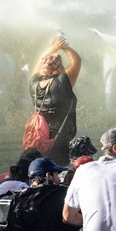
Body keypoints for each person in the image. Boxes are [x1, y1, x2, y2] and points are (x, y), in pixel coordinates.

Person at [29, 34, 81, 166]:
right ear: (59, 67)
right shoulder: (62, 82)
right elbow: (77, 61)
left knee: (39, 168)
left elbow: (40, 64)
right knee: (57, 171)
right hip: (60, 137)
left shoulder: (33, 83)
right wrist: (63, 45)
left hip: (39, 136)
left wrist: (53, 48)